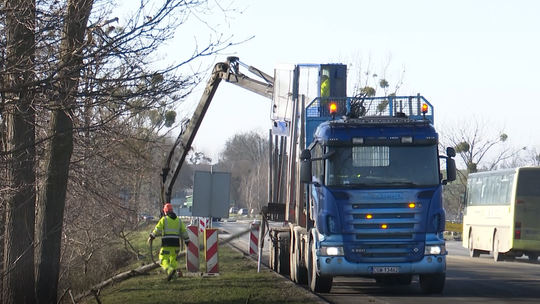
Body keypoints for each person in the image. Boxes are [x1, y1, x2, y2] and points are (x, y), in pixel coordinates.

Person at [148, 203, 190, 281]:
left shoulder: (164, 219)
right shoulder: (179, 220)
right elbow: (184, 232)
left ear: (165, 211)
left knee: (162, 260)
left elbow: (157, 229)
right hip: (176, 244)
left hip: (166, 244)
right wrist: (187, 241)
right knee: (173, 259)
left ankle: (170, 271)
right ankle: (173, 277)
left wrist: (151, 237)